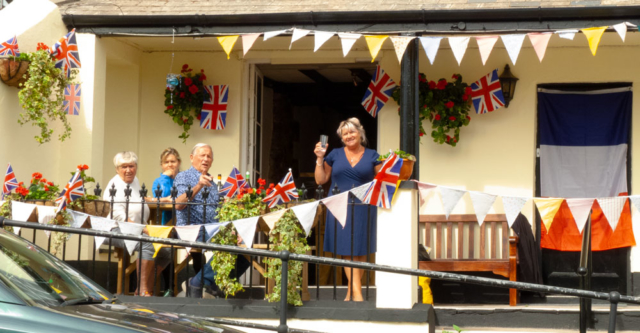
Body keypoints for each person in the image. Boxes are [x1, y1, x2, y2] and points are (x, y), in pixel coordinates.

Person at [314, 117, 382, 301]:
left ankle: (351, 292)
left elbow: (382, 181)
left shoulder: (373, 155)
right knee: (347, 249)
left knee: (359, 249)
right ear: (342, 138)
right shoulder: (334, 155)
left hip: (363, 207)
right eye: (345, 134)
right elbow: (321, 180)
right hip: (339, 205)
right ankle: (357, 293)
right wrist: (320, 159)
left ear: (360, 133)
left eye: (352, 132)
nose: (349, 136)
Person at [174, 143, 250, 298]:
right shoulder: (183, 177)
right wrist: (198, 185)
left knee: (246, 254)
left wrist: (232, 228)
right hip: (191, 228)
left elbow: (218, 214)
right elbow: (179, 204)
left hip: (212, 229)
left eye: (209, 156)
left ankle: (207, 284)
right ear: (191, 158)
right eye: (202, 155)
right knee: (228, 243)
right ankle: (199, 283)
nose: (205, 159)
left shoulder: (213, 184)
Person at [104, 151, 171, 296]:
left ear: (136, 167)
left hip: (136, 229)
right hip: (115, 229)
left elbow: (140, 198)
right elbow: (118, 216)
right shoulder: (114, 186)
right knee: (146, 243)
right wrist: (142, 230)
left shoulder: (135, 181)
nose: (128, 170)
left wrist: (162, 200)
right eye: (124, 167)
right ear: (117, 169)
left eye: (131, 166)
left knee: (166, 250)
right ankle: (143, 291)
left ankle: (144, 287)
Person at [151, 148, 181, 225]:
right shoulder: (158, 181)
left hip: (182, 220)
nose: (170, 165)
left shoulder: (184, 179)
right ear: (162, 165)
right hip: (164, 221)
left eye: (173, 161)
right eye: (166, 162)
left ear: (179, 162)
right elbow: (161, 197)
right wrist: (165, 178)